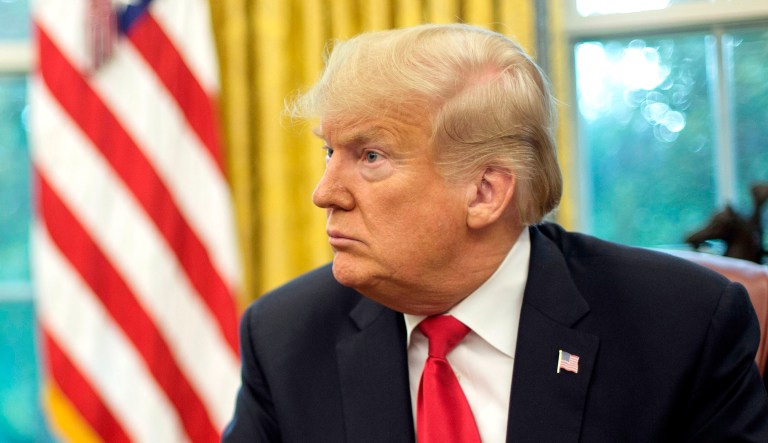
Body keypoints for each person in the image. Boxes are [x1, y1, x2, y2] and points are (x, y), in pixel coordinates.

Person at [223, 23, 768, 442]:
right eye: (328, 150)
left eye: (370, 156)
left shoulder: (682, 325)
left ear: (486, 192)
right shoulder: (285, 337)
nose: (325, 191)